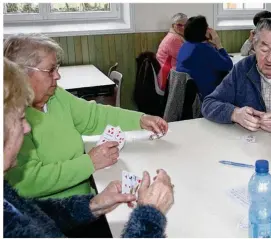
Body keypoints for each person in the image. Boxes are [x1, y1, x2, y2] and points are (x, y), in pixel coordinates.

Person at [3, 58, 175, 238]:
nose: (27, 127)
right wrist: (150, 216)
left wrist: (92, 205)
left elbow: (34, 215)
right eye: (21, 118)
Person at [3, 34, 169, 200]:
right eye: (50, 70)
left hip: (87, 199)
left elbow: (94, 115)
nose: (57, 76)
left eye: (57, 68)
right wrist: (89, 163)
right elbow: (27, 183)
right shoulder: (12, 123)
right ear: (21, 75)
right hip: (56, 215)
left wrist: (139, 119)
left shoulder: (55, 96)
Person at [176, 15, 233, 100]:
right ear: (203, 31)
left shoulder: (185, 45)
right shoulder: (205, 49)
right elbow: (228, 65)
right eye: (207, 27)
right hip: (205, 94)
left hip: (187, 95)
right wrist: (218, 44)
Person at [156, 13, 188, 91]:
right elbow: (186, 59)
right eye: (179, 25)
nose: (183, 27)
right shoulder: (174, 39)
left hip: (170, 73)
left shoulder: (175, 36)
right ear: (173, 25)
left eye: (185, 25)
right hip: (169, 77)